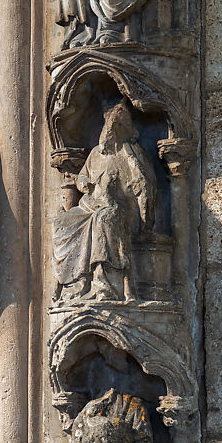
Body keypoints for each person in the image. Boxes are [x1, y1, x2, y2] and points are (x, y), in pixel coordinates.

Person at [52, 102, 156, 303]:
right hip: (91, 204)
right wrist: (84, 183)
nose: (109, 132)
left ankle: (103, 285)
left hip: (122, 209)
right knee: (62, 222)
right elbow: (82, 177)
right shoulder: (96, 154)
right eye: (108, 126)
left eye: (115, 126)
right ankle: (75, 283)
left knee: (103, 219)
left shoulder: (132, 152)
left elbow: (146, 187)